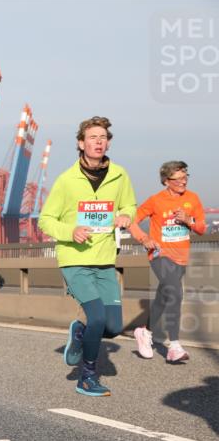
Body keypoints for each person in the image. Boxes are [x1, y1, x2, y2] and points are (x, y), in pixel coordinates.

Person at [38, 115, 135, 396]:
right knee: (96, 318)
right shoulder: (67, 180)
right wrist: (71, 231)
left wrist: (127, 215)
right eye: (92, 137)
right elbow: (46, 219)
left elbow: (130, 204)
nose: (98, 141)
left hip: (105, 260)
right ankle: (87, 377)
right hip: (75, 259)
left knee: (114, 327)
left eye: (103, 137)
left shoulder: (119, 175)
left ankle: (79, 332)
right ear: (81, 143)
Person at [128, 160, 206, 362]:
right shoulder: (156, 200)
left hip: (181, 256)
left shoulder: (193, 198)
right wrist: (145, 238)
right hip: (159, 254)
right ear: (166, 181)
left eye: (185, 176)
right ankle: (174, 346)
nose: (183, 181)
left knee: (164, 296)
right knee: (176, 293)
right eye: (178, 178)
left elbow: (202, 228)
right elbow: (132, 220)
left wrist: (188, 220)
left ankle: (145, 331)